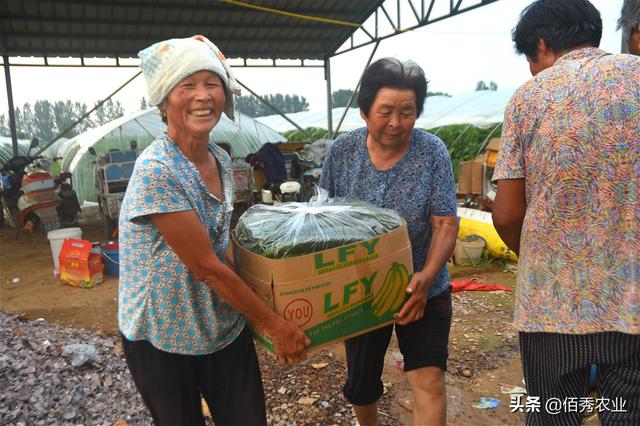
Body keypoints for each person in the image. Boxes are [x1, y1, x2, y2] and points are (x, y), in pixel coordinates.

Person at [118, 35, 309, 426]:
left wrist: (269, 298)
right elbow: (205, 267)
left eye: (212, 83)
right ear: (164, 100)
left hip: (220, 322)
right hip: (163, 333)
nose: (202, 96)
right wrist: (273, 323)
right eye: (186, 85)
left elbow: (220, 243)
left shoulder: (220, 158)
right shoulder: (157, 170)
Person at [492, 1, 640, 424]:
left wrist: (538, 259)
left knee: (554, 414)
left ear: (541, 44)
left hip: (550, 307)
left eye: (530, 60)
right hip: (632, 301)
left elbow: (504, 214)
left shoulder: (529, 99)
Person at [319, 58, 458, 426]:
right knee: (362, 384)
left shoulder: (432, 153)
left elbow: (444, 223)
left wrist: (426, 278)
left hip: (423, 286)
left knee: (427, 377)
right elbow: (323, 216)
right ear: (364, 111)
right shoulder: (342, 153)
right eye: (385, 112)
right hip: (361, 288)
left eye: (407, 112)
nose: (396, 122)